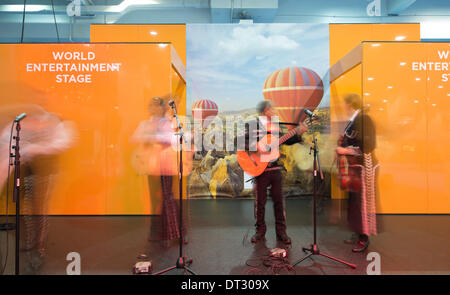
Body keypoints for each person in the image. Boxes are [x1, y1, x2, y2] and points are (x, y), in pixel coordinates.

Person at [250, 100, 307, 244]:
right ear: (265, 111)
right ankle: (260, 231)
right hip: (260, 170)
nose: (274, 111)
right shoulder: (254, 126)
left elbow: (286, 140)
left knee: (279, 202)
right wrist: (258, 146)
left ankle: (281, 232)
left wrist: (298, 133)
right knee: (260, 203)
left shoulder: (276, 126)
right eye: (271, 109)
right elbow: (245, 142)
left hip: (275, 168)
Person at [336, 93, 378, 252]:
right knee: (354, 201)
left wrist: (345, 150)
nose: (344, 108)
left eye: (345, 105)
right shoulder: (355, 120)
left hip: (364, 167)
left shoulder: (363, 119)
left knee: (362, 202)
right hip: (355, 168)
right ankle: (358, 232)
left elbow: (369, 145)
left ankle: (364, 237)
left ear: (350, 105)